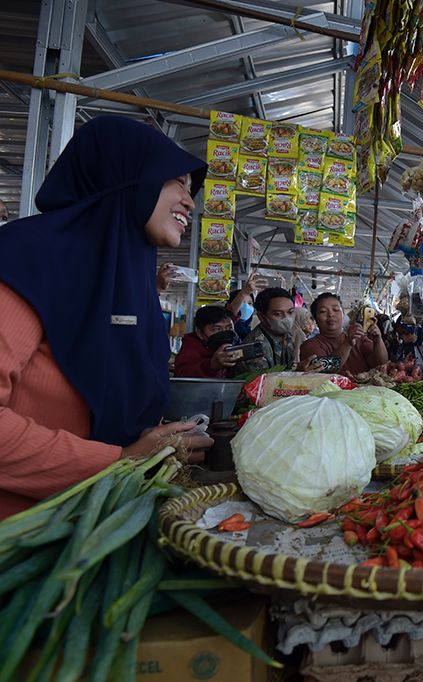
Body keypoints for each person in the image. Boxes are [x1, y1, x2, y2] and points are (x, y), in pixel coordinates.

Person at [0, 116, 213, 518]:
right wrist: (120, 459)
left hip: (98, 518)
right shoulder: (26, 258)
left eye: (192, 188)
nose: (190, 200)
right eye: (176, 181)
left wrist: (156, 440)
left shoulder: (129, 278)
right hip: (23, 535)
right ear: (126, 173)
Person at [300, 292, 388, 374]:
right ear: (315, 319)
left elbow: (380, 363)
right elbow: (326, 370)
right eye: (323, 311)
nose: (331, 314)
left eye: (336, 309)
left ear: (343, 314)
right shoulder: (310, 345)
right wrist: (348, 343)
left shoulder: (359, 337)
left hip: (364, 389)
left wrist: (378, 340)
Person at [231, 287, 299, 374]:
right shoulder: (253, 347)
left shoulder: (288, 335)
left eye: (290, 312)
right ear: (261, 317)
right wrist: (298, 371)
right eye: (277, 314)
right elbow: (260, 382)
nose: (286, 318)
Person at [174, 305, 243, 378]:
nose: (224, 333)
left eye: (229, 328)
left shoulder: (236, 344)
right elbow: (183, 376)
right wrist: (211, 365)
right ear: (200, 334)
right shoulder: (190, 348)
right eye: (217, 329)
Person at [225, 274, 264, 340]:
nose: (246, 306)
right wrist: (244, 292)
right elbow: (231, 313)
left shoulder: (251, 332)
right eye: (242, 302)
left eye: (250, 303)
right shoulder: (226, 328)